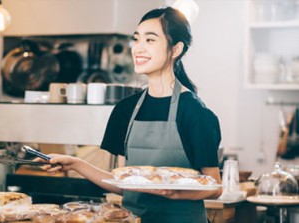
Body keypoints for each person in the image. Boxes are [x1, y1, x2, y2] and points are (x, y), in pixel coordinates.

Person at [42, 6, 222, 223]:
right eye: (136, 40)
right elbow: (122, 184)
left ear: (175, 49)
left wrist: (176, 193)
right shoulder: (125, 110)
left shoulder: (194, 112)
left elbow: (214, 187)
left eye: (150, 40)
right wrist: (75, 163)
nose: (138, 48)